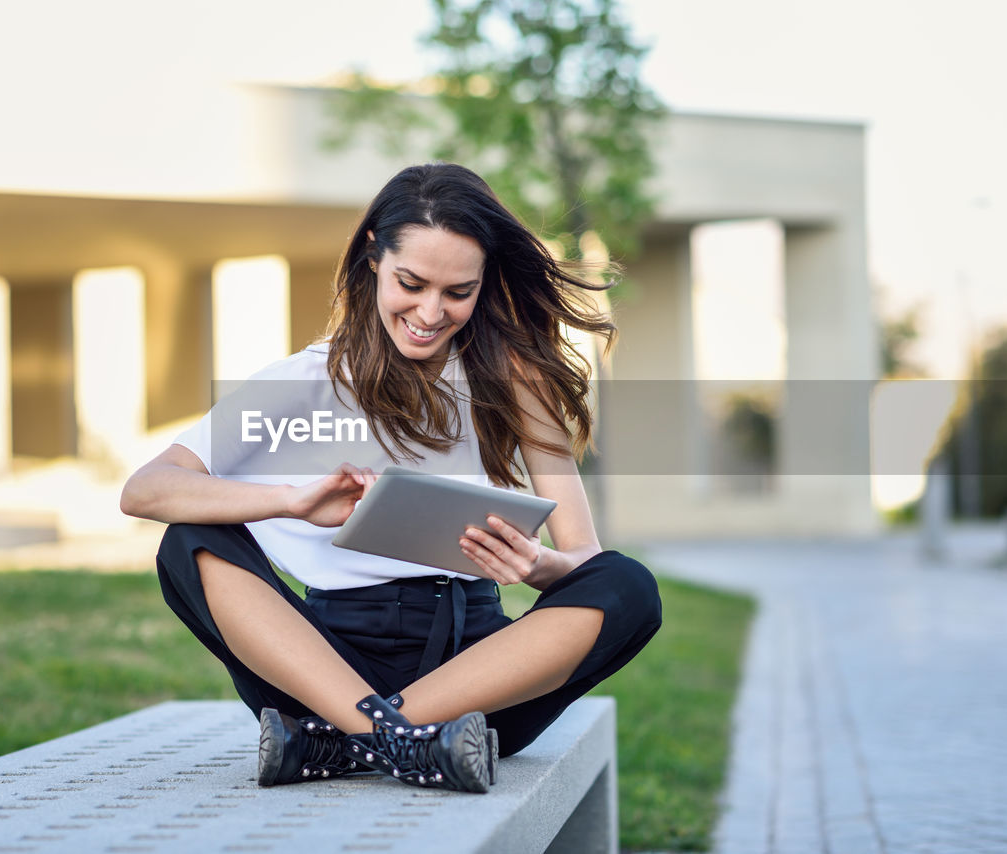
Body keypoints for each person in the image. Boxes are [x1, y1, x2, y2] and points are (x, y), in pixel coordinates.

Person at [120, 163, 662, 794]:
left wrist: (535, 564)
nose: (431, 312)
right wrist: (290, 501)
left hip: (477, 677)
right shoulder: (305, 380)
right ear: (374, 254)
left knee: (628, 585)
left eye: (458, 292)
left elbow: (582, 558)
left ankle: (345, 743)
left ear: (483, 283)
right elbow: (147, 489)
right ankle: (395, 738)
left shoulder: (516, 381)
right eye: (412, 283)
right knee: (187, 543)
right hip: (329, 668)